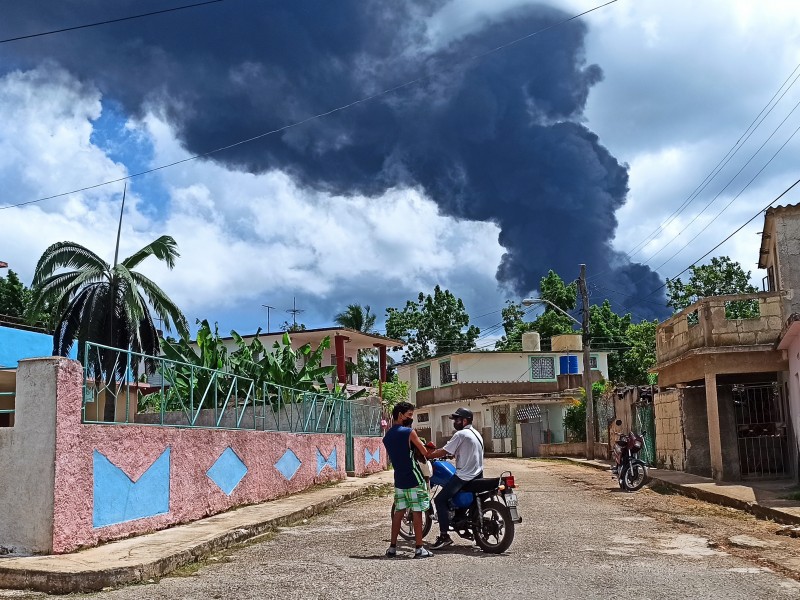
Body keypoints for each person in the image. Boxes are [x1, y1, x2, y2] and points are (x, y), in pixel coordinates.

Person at [426, 407, 484, 550]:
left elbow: (444, 451)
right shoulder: (476, 433)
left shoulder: (461, 434)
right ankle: (461, 520)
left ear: (465, 420)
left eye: (457, 419)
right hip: (478, 474)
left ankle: (444, 536)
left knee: (439, 500)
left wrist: (426, 455)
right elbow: (459, 452)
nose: (455, 422)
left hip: (464, 476)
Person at [382, 401, 434, 559]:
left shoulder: (388, 436)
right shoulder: (409, 432)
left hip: (399, 478)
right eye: (410, 415)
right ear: (400, 415)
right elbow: (425, 452)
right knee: (417, 512)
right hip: (413, 477)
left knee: (399, 512)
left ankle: (392, 547)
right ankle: (419, 548)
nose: (411, 418)